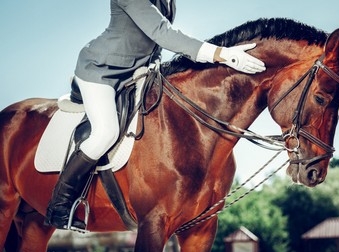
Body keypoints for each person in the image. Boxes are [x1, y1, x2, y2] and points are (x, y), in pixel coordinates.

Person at [44, 0, 266, 231]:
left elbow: (153, 41)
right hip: (101, 70)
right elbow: (161, 32)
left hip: (136, 71)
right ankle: (60, 204)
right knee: (105, 132)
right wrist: (221, 54)